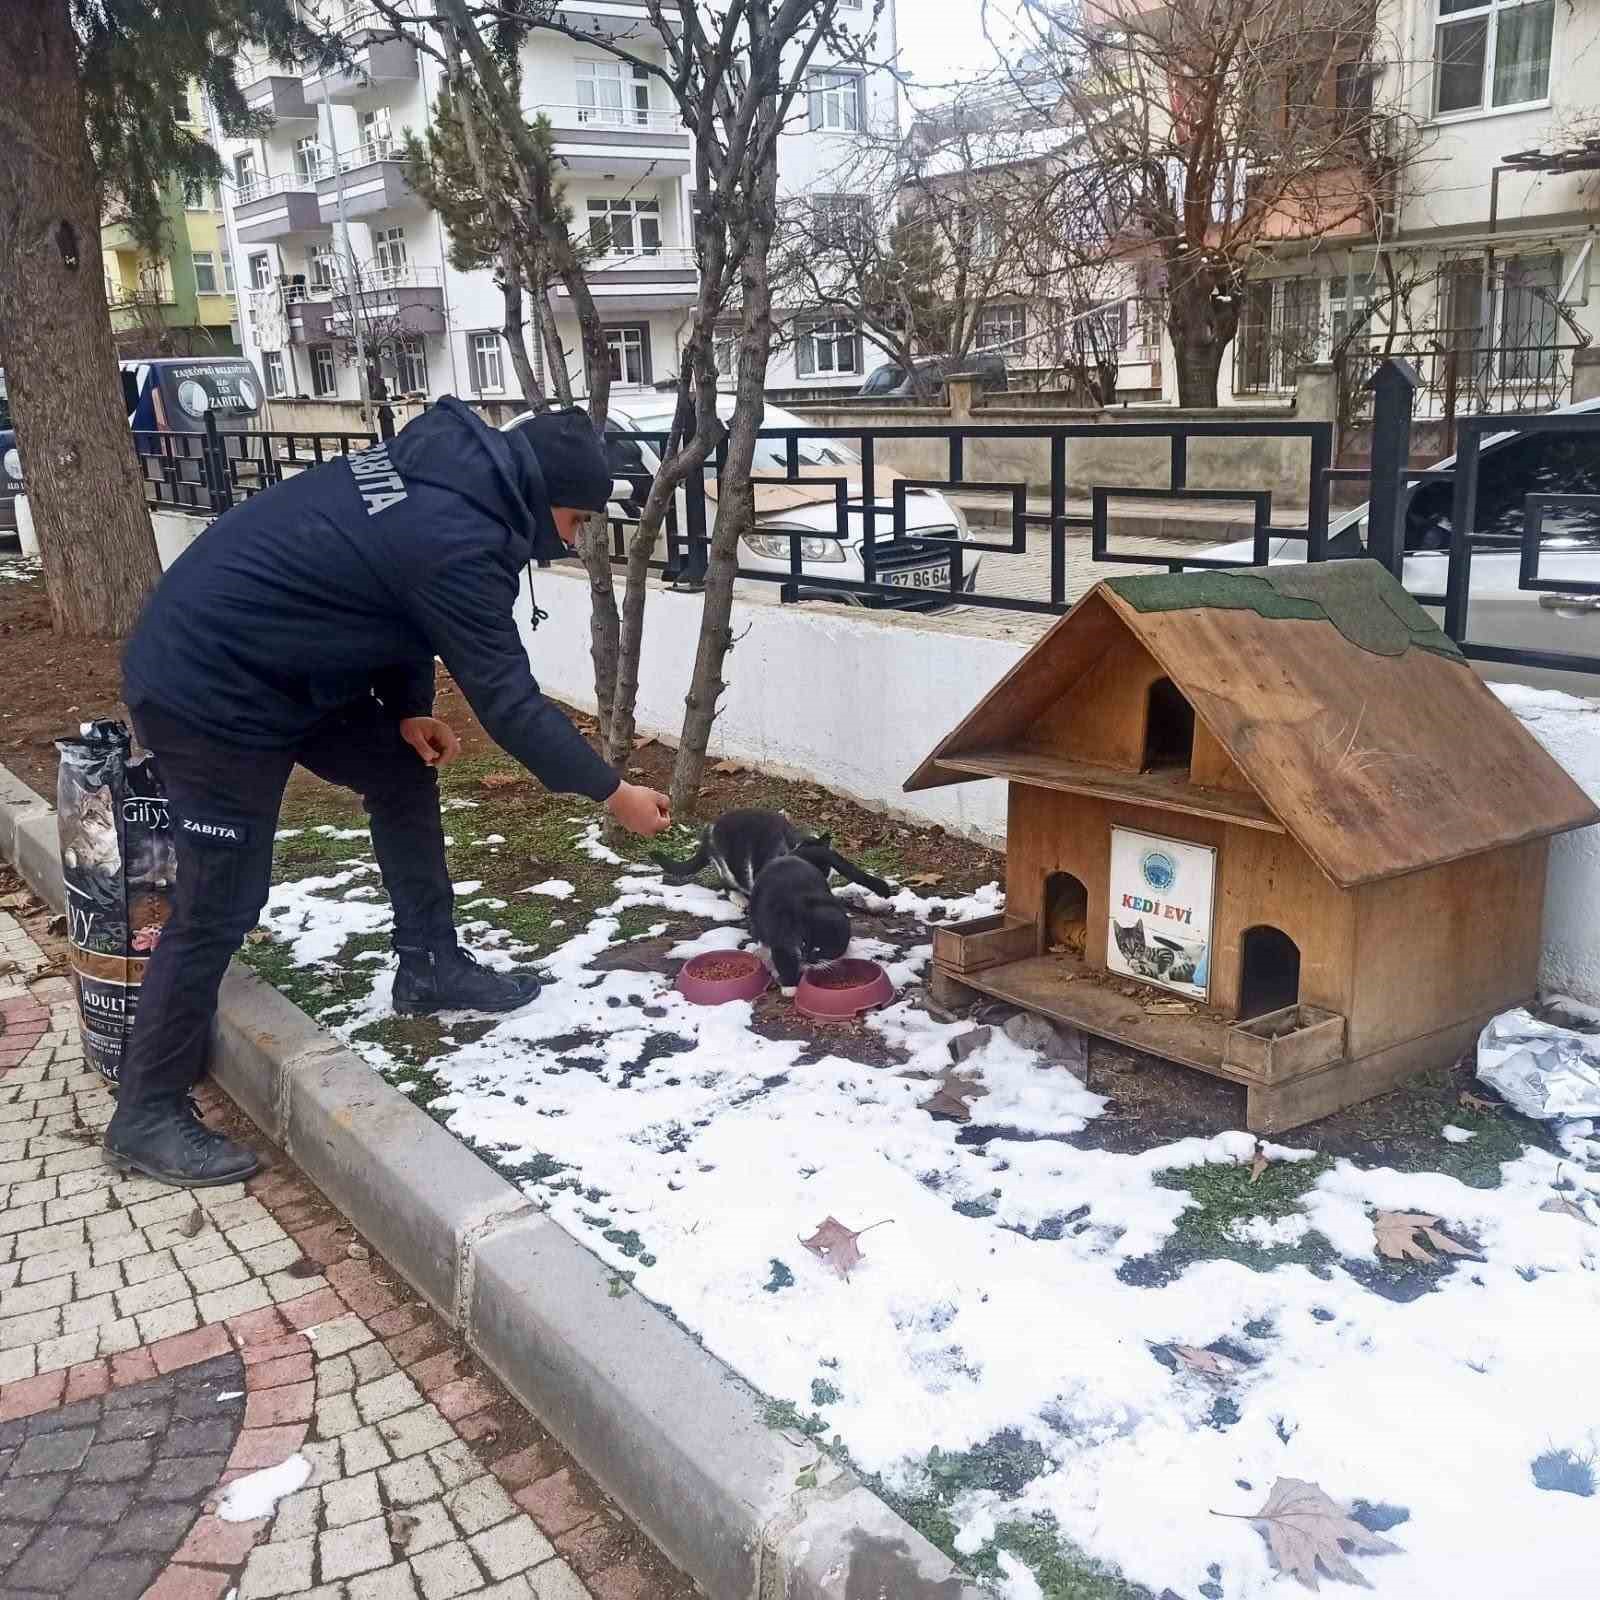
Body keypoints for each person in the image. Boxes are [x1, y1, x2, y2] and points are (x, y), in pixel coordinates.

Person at [107, 399, 670, 1189]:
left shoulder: (443, 479)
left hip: (290, 670)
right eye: (575, 520)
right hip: (211, 688)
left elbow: (393, 602)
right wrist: (613, 792)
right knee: (220, 903)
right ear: (544, 498)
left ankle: (429, 964)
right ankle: (146, 1112)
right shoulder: (458, 538)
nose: (572, 539)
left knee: (402, 772)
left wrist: (408, 707)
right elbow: (509, 703)